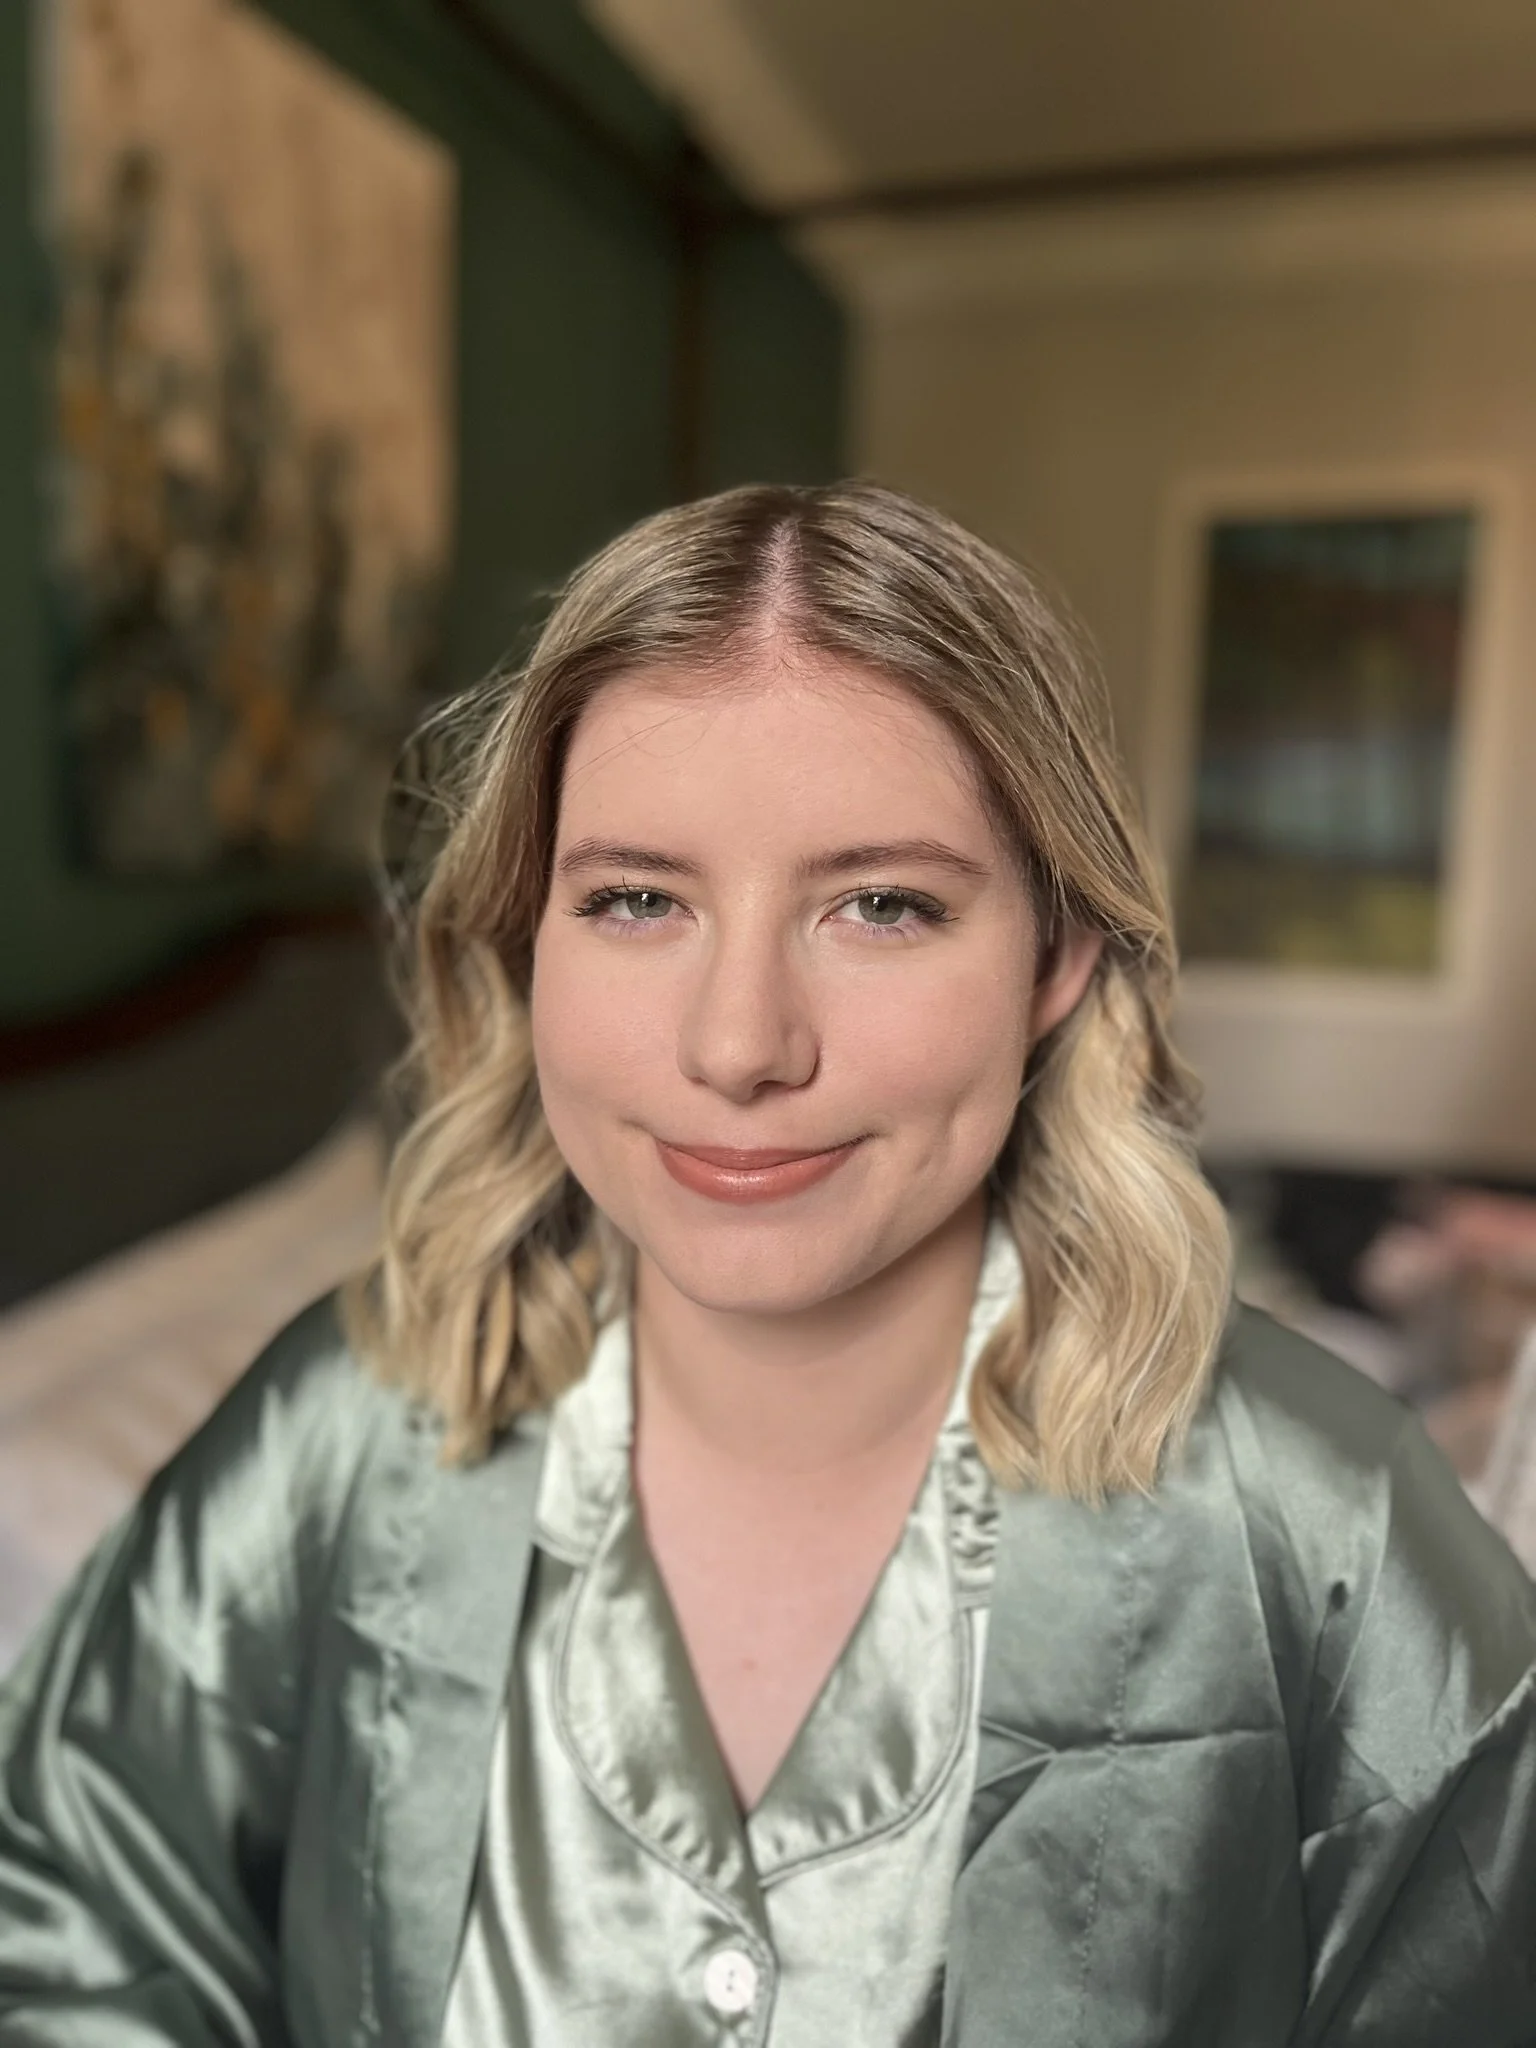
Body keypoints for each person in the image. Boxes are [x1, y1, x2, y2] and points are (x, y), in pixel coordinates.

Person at [0, 480, 1532, 2047]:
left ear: (1058, 960)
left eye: (881, 906)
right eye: (636, 900)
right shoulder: (339, 1437)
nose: (739, 1046)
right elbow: (70, 1933)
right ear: (529, 940)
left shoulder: (1329, 1529)